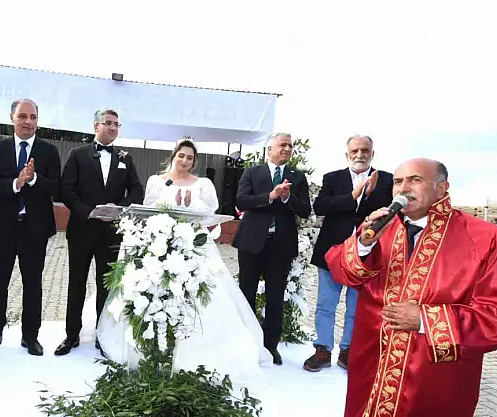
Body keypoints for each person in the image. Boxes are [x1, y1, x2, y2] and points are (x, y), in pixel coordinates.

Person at [325, 158, 497, 417]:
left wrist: (426, 321)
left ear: (442, 189)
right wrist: (362, 243)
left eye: (415, 180)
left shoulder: (484, 238)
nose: (403, 188)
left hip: (433, 377)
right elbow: (342, 271)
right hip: (372, 365)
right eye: (398, 181)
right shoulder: (380, 226)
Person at [84, 138, 273, 385]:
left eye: (190, 158)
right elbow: (147, 211)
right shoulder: (157, 181)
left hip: (194, 246)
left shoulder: (203, 184)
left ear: (194, 162)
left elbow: (210, 216)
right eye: (181, 155)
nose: (185, 160)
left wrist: (192, 207)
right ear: (173, 156)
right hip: (159, 244)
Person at [0, 99, 61, 356]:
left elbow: (55, 187)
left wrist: (33, 179)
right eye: (22, 116)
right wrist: (15, 183)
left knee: (33, 284)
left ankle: (30, 336)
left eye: (33, 117)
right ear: (12, 118)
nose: (28, 122)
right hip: (2, 228)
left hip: (35, 229)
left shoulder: (48, 151)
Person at [55, 109, 144, 356]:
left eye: (117, 124)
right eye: (108, 123)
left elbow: (137, 190)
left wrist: (119, 209)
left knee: (106, 286)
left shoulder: (125, 158)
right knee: (76, 283)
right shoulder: (78, 154)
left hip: (111, 232)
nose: (113, 128)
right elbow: (66, 189)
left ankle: (103, 335)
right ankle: (71, 334)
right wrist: (89, 212)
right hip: (82, 229)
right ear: (96, 126)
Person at [304, 135, 393, 372]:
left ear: (372, 153)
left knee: (356, 307)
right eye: (354, 151)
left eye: (364, 150)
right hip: (333, 253)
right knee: (325, 304)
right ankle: (323, 350)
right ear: (347, 154)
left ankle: (348, 350)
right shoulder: (332, 178)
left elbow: (390, 214)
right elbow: (320, 207)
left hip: (366, 255)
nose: (359, 155)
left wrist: (370, 194)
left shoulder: (386, 180)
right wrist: (353, 196)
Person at [232, 133, 312, 365]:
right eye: (282, 145)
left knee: (275, 297)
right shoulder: (252, 172)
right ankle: (246, 342)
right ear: (270, 149)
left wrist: (287, 198)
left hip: (281, 246)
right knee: (246, 293)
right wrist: (270, 195)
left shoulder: (297, 177)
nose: (287, 148)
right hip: (251, 243)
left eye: (290, 145)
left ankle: (270, 346)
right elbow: (241, 201)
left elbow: (305, 210)